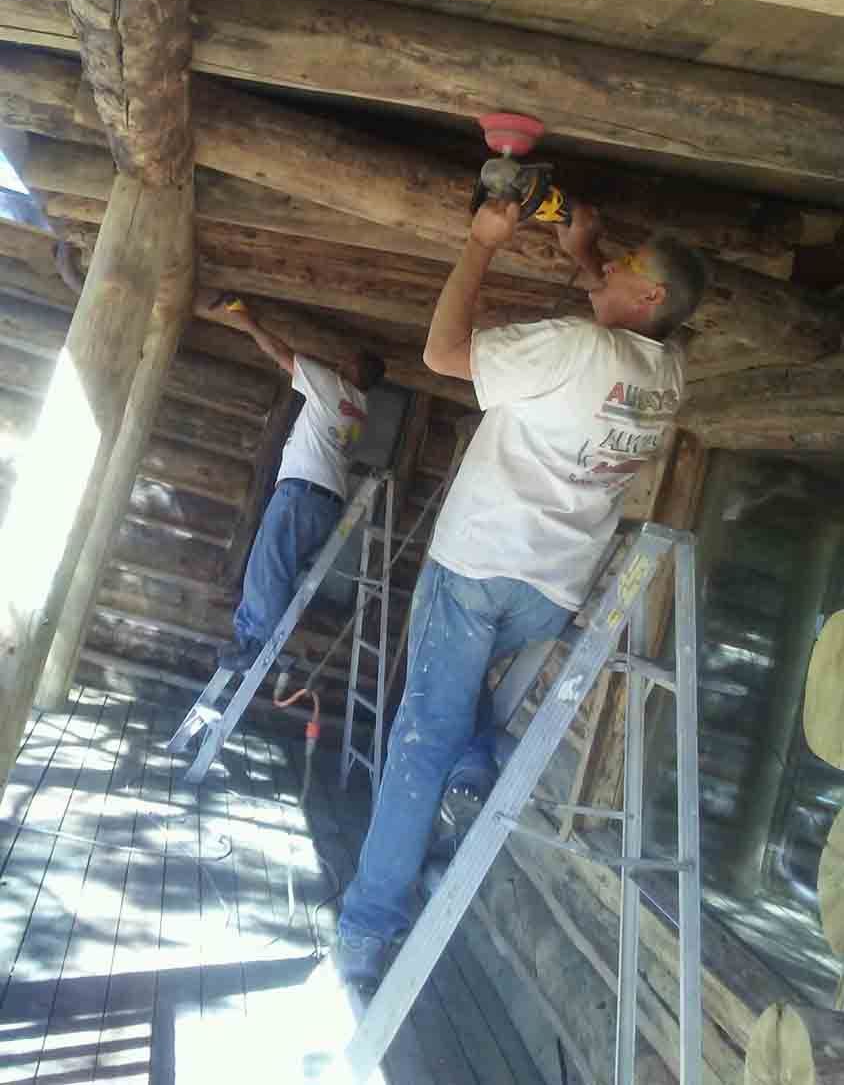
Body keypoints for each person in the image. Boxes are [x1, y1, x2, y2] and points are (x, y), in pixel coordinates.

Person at [336, 199, 705, 988]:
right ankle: (472, 780)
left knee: (419, 740)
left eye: (627, 266)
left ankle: (368, 925)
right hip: (551, 591)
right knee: (457, 715)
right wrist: (590, 251)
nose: (611, 268)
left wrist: (480, 242)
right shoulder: (668, 371)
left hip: (476, 569)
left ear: (646, 299)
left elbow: (442, 353)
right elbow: (625, 323)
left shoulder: (573, 347)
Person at [194, 292, 385, 672]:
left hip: (302, 494)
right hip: (325, 503)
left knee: (268, 565)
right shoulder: (360, 408)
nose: (339, 361)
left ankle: (253, 643)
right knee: (278, 569)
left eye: (347, 360)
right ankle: (259, 637)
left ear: (355, 371)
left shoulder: (332, 386)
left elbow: (281, 353)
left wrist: (246, 319)